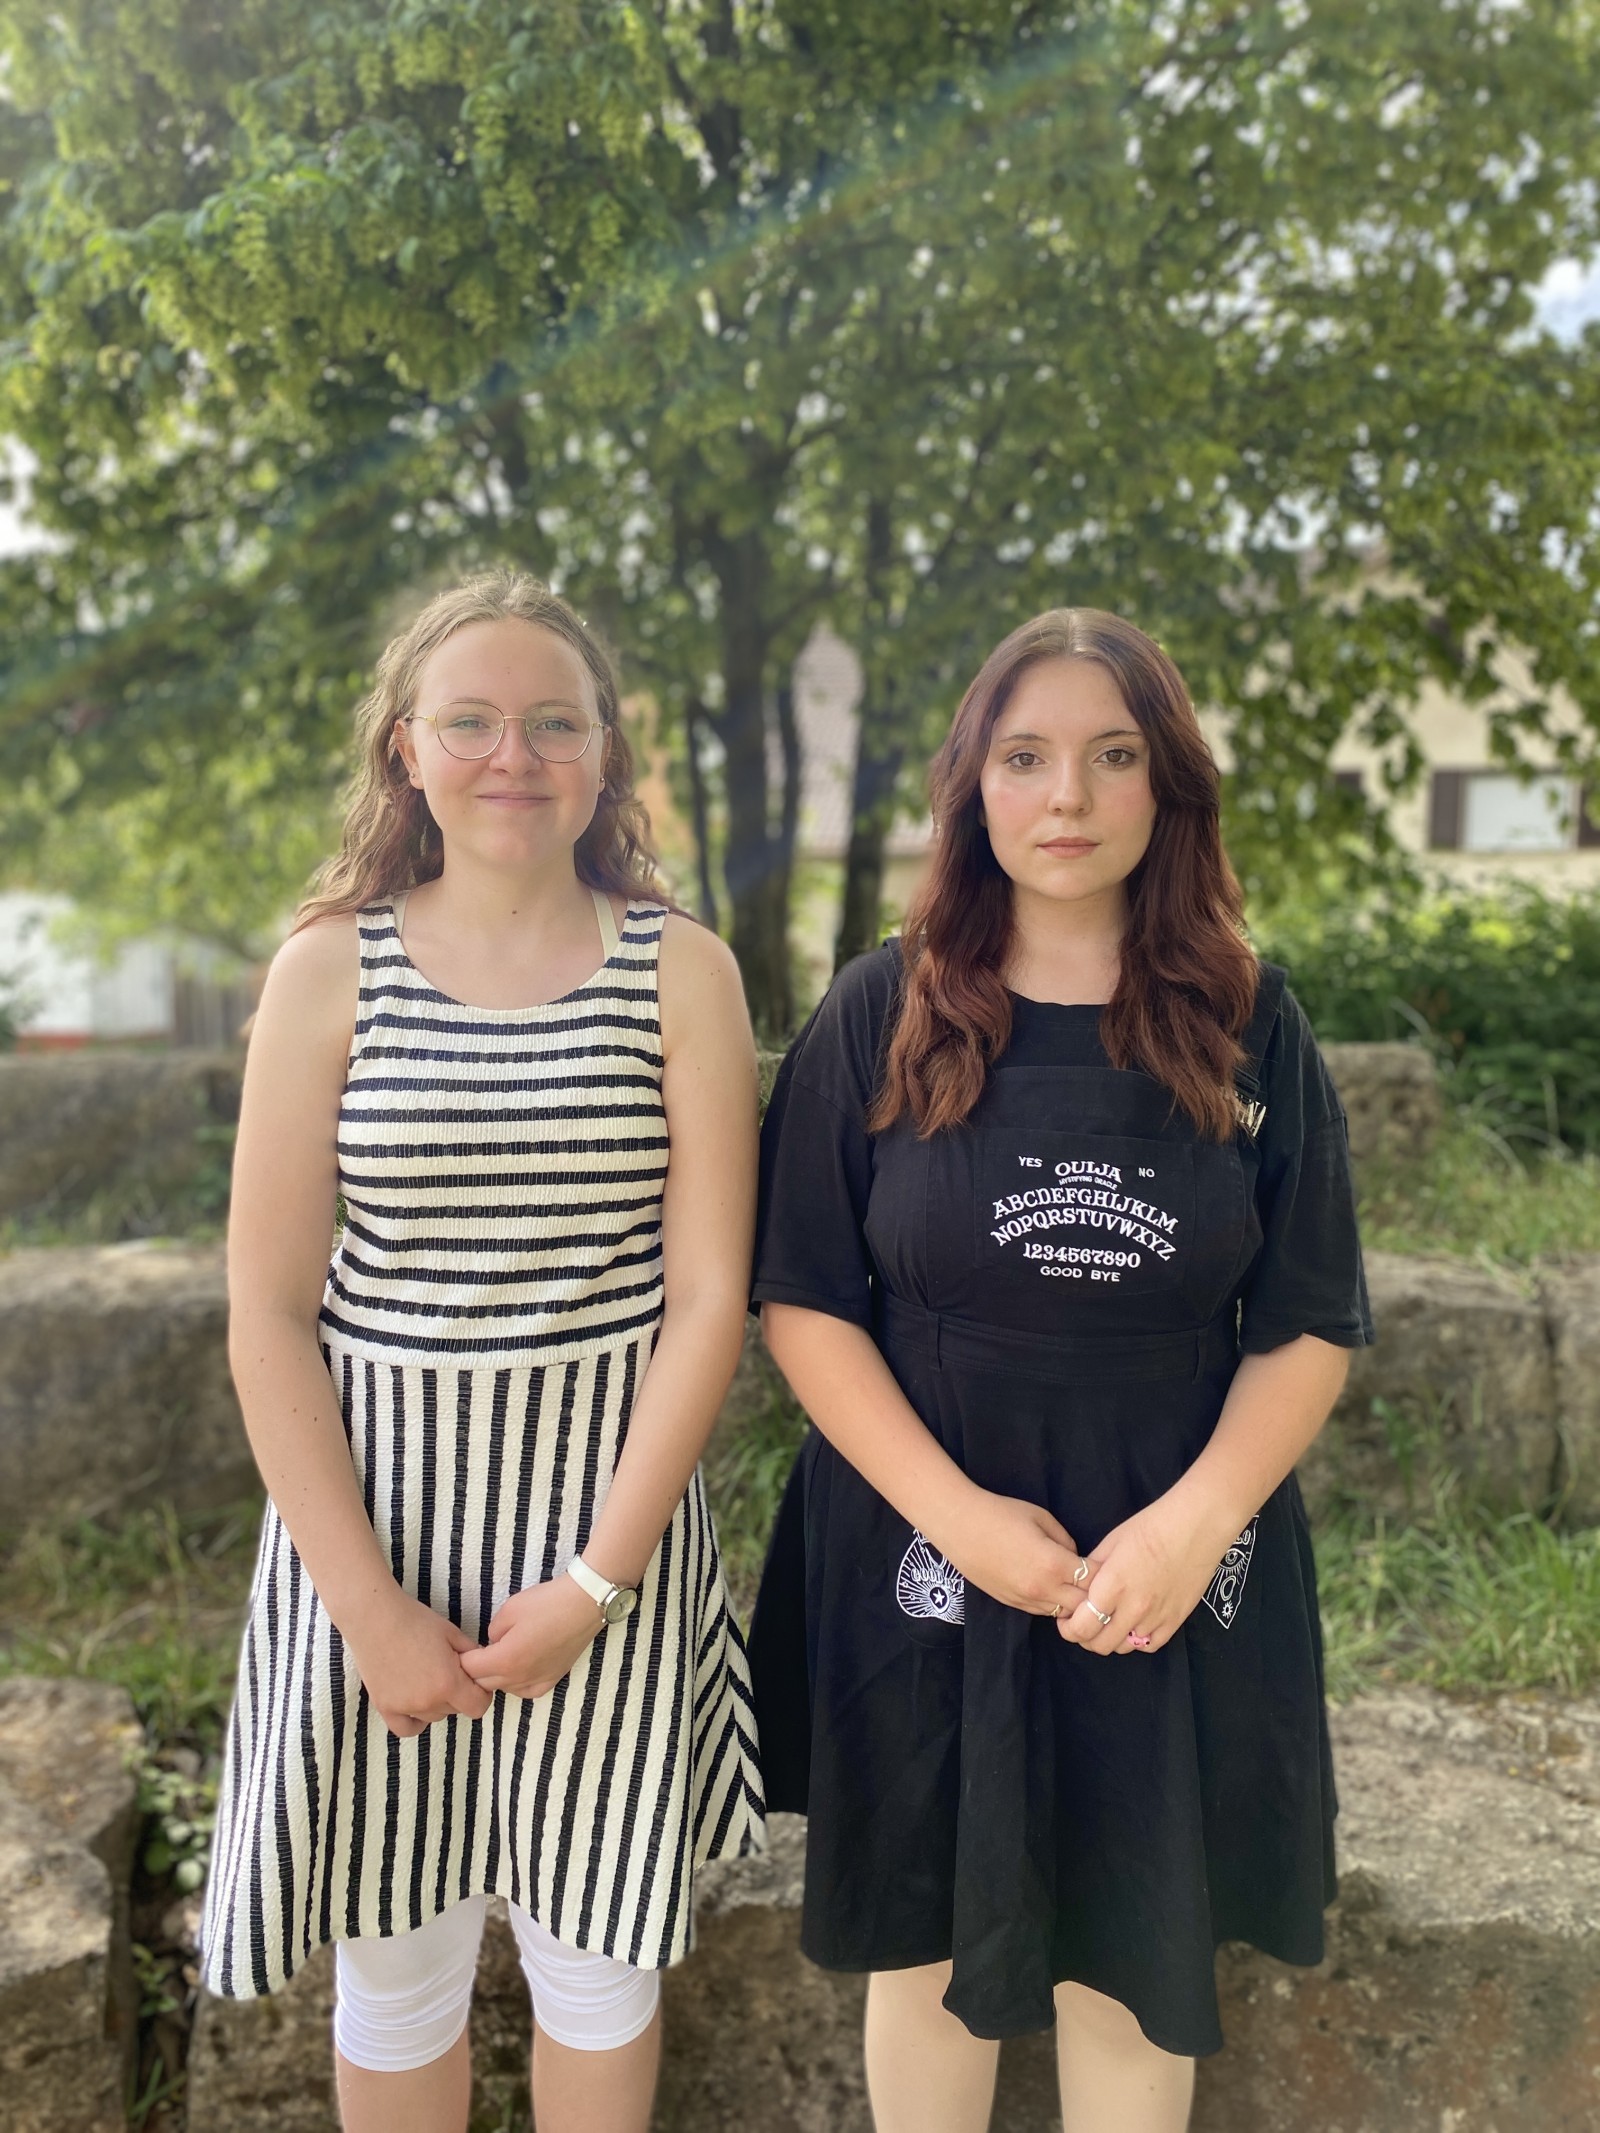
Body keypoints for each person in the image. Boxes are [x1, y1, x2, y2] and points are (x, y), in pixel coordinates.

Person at [748, 608, 1372, 2133]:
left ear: (1170, 784)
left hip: (1166, 1553)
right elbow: (805, 1300)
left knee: (1135, 1947)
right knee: (926, 1940)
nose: (1069, 797)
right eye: (1025, 757)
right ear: (973, 783)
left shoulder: (1251, 1021)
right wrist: (957, 1517)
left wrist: (1196, 1524)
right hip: (923, 1545)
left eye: (1114, 755)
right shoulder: (881, 1009)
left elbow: (1307, 1317)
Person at [199, 570, 765, 2133]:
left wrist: (596, 1583)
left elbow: (709, 1298)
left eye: (553, 723)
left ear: (603, 752)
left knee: (599, 1969)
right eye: (471, 721)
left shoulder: (683, 970)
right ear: (406, 747)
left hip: (608, 1542)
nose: (514, 754)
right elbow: (267, 1310)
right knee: (396, 1968)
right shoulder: (328, 968)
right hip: (373, 1538)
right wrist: (367, 1606)